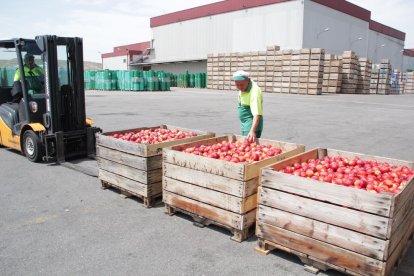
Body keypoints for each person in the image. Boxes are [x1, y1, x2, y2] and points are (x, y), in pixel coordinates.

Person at [233, 70, 263, 143]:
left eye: (241, 85)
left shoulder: (254, 93)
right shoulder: (245, 86)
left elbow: (257, 114)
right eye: (237, 85)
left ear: (247, 81)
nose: (239, 87)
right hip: (245, 122)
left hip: (251, 122)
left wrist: (252, 130)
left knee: (248, 145)